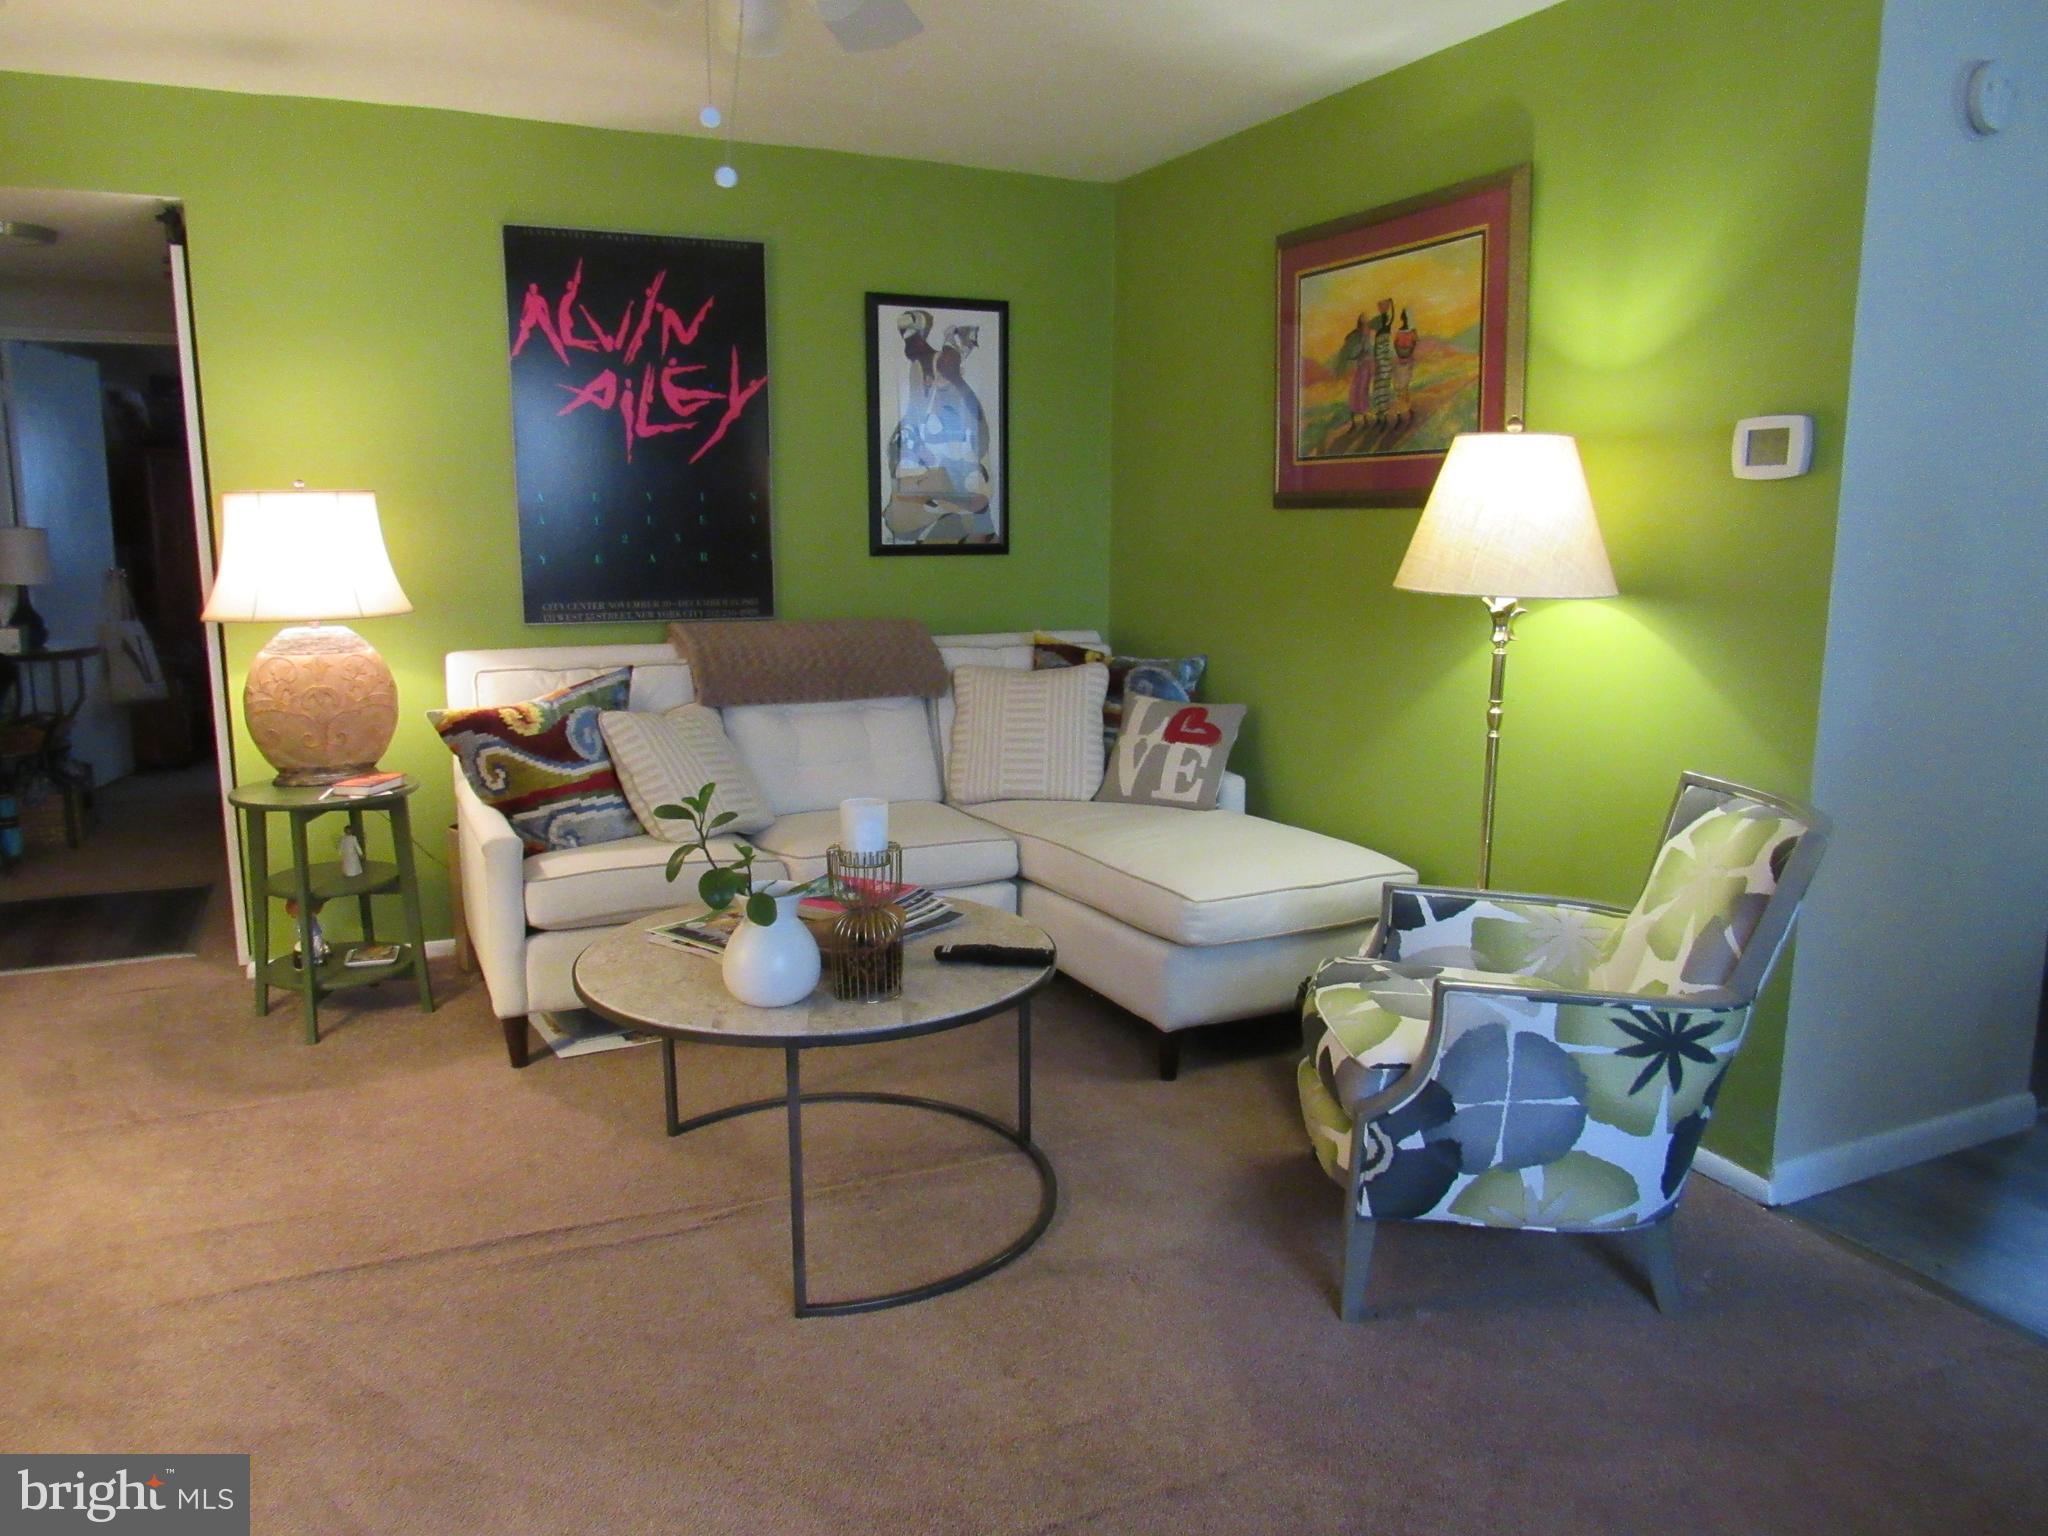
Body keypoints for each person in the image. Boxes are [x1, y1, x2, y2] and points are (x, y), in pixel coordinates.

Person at [1392, 307, 1419, 426]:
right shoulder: (1400, 332)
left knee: (1403, 388)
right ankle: (1401, 412)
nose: (1403, 318)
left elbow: (1413, 344)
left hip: (1407, 361)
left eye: (1405, 316)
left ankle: (1405, 411)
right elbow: (1395, 344)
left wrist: (1406, 352)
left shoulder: (1412, 332)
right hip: (1400, 360)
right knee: (1398, 388)